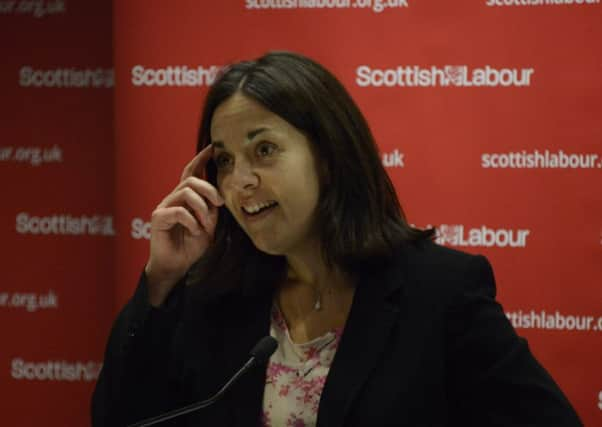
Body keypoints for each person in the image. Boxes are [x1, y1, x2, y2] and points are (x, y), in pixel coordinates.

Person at [91, 51, 582, 427]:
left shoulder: (440, 291)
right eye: (224, 160)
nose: (240, 181)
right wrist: (162, 279)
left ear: (329, 155)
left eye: (263, 150)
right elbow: (121, 418)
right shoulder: (212, 294)